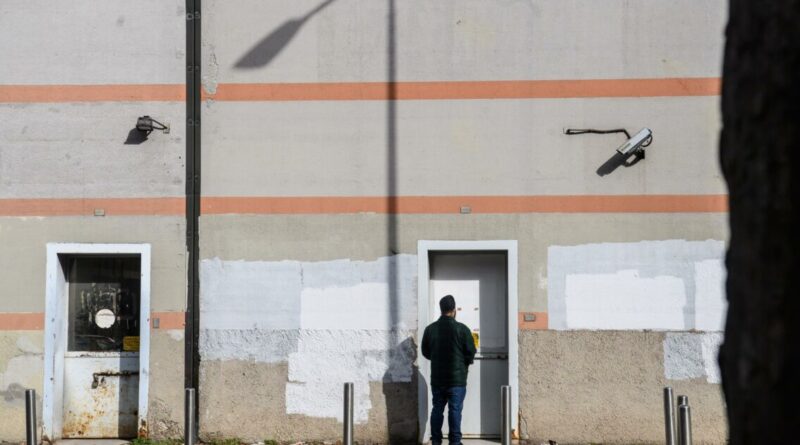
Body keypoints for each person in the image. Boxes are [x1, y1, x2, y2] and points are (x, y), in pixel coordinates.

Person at [421, 294, 477, 445]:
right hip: (457, 381)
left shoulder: (430, 329)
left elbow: (425, 352)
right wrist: (466, 362)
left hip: (437, 379)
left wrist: (438, 359)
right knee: (455, 410)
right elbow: (471, 351)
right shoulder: (462, 329)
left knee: (437, 409)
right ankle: (455, 442)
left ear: (441, 310)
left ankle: (436, 441)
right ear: (454, 310)